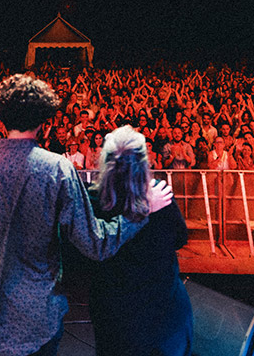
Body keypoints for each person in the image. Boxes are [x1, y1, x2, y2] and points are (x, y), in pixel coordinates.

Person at [0, 74, 173, 356]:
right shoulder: (57, 169)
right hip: (37, 321)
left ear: (1, 119)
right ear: (43, 121)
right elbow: (97, 244)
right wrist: (142, 210)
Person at [84, 126, 192, 356]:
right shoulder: (159, 193)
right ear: (144, 163)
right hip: (160, 306)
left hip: (113, 309)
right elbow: (180, 237)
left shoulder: (93, 199)